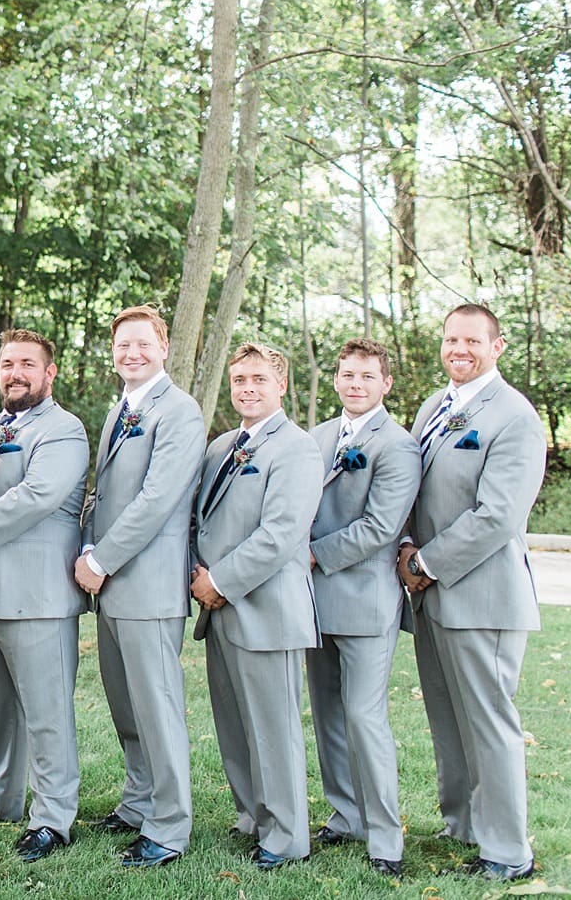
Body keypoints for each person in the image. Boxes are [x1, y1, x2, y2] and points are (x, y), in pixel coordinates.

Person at [398, 304, 545, 882]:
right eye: (451, 339)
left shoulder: (514, 416)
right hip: (431, 592)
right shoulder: (435, 407)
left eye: (472, 341)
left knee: (488, 721)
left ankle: (509, 852)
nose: (459, 349)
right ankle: (462, 822)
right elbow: (409, 485)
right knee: (447, 715)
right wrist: (407, 545)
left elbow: (499, 515)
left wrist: (427, 562)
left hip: (482, 593)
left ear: (497, 346)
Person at [0, 328, 87, 863]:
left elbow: (38, 496)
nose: (16, 373)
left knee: (46, 711)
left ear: (49, 373)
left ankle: (53, 816)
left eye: (28, 364)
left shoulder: (64, 430)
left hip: (37, 595)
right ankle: (1, 795)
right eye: (8, 364)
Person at [73, 306, 203, 869]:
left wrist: (101, 558)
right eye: (123, 345)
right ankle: (138, 799)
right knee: (125, 703)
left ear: (164, 347)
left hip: (147, 587)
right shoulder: (120, 410)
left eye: (143, 344)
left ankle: (169, 826)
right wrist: (84, 545)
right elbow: (104, 494)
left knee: (157, 707)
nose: (132, 353)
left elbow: (158, 500)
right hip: (112, 586)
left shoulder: (179, 411)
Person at [190, 343, 319, 871]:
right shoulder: (222, 445)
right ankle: (253, 816)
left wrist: (219, 579)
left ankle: (287, 836)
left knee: (273, 729)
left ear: (281, 385)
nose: (247, 387)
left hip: (266, 609)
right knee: (235, 724)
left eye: (259, 379)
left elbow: (281, 534)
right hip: (218, 609)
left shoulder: (297, 448)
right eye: (239, 378)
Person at [306, 338, 420, 878]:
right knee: (327, 714)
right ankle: (345, 813)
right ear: (336, 379)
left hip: (365, 601)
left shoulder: (397, 445)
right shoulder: (318, 437)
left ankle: (385, 837)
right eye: (347, 374)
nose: (355, 384)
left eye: (367, 376)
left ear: (385, 383)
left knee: (363, 715)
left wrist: (310, 554)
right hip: (313, 602)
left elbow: (380, 528)